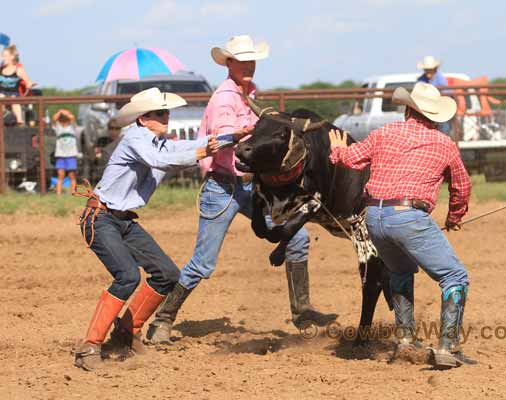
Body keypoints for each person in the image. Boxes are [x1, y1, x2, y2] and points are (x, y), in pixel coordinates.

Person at [146, 35, 337, 344]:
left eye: (251, 60)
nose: (248, 65)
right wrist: (251, 133)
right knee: (203, 262)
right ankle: (163, 320)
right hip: (223, 188)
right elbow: (221, 139)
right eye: (242, 60)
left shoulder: (250, 94)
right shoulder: (224, 98)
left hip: (250, 187)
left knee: (298, 237)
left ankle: (302, 312)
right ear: (229, 63)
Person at [73, 87, 223, 371]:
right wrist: (202, 151)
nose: (166, 117)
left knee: (167, 274)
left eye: (166, 112)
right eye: (159, 113)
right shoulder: (135, 139)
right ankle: (89, 346)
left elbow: (183, 148)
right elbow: (162, 160)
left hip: (123, 220)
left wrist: (231, 137)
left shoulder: (158, 142)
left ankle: (125, 334)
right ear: (143, 119)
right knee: (127, 276)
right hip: (101, 218)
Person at [328, 82, 475, 369]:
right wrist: (454, 217)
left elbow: (350, 159)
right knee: (454, 276)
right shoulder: (444, 144)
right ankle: (448, 345)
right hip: (409, 215)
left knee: (400, 270)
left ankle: (405, 341)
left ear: (408, 109)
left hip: (374, 217)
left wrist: (336, 150)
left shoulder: (384, 133)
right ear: (434, 116)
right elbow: (462, 186)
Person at [0, 45, 33, 125]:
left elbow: (29, 81)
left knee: (14, 100)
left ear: (12, 57)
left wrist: (29, 84)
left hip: (13, 94)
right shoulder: (1, 69)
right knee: (1, 96)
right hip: (2, 94)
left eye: (5, 56)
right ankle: (5, 114)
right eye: (2, 56)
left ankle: (19, 121)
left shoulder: (18, 69)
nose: (2, 58)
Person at [52, 109, 79, 195]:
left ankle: (73, 193)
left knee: (72, 175)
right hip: (61, 155)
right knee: (60, 175)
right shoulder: (58, 127)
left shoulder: (72, 127)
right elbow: (54, 118)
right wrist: (60, 112)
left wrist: (66, 113)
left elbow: (72, 117)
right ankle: (58, 194)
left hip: (71, 155)